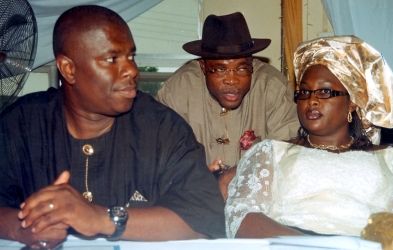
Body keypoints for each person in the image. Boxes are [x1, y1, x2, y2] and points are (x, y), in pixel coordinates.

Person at [0, 5, 225, 249]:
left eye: (131, 56)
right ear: (68, 69)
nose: (131, 70)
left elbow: (204, 219)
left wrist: (101, 218)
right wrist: (23, 227)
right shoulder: (21, 124)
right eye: (112, 59)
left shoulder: (162, 128)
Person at [224, 35, 393, 238]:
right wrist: (307, 244)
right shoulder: (270, 152)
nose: (312, 100)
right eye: (304, 92)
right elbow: (241, 216)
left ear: (352, 101)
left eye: (324, 91)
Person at [156, 12, 299, 173]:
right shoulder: (177, 90)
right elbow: (159, 158)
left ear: (252, 63)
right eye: (220, 69)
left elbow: (288, 157)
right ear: (203, 66)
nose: (232, 80)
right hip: (192, 191)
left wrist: (232, 177)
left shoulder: (272, 87)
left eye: (242, 68)